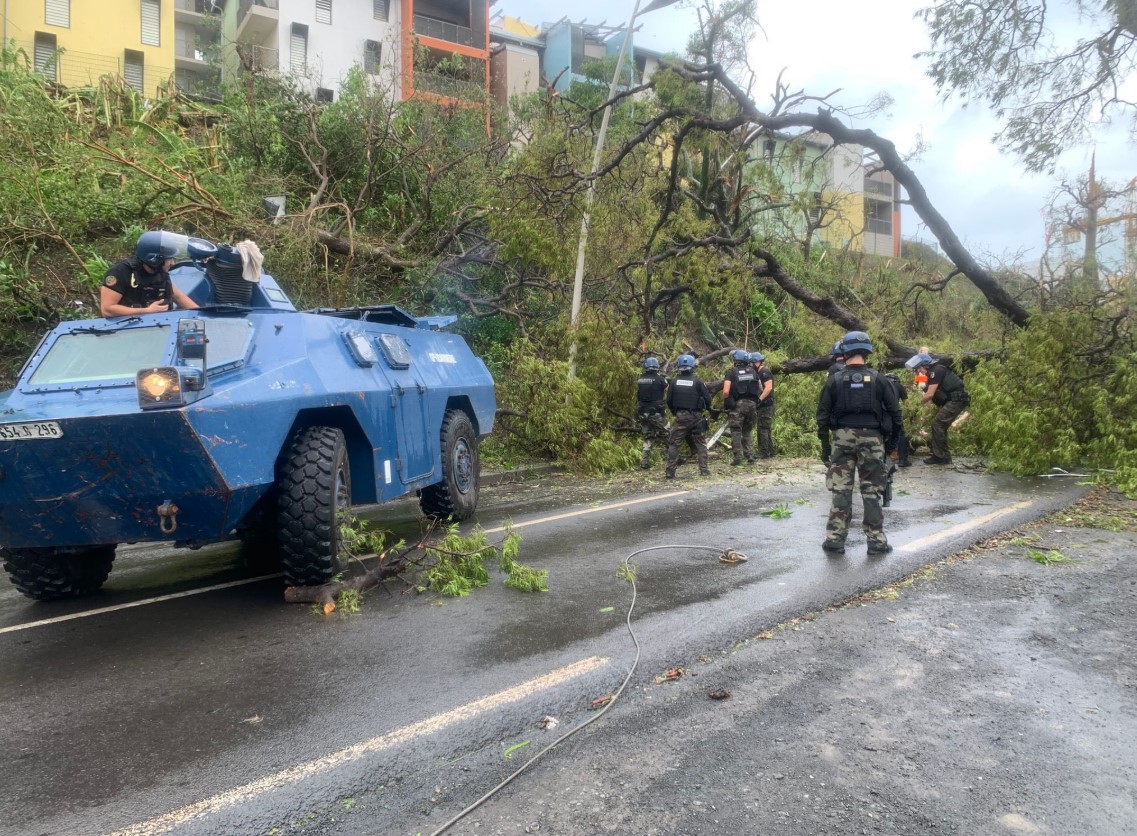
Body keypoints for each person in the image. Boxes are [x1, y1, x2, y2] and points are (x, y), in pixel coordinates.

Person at [816, 331, 903, 555]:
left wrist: (826, 447)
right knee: (872, 492)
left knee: (841, 491)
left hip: (842, 439)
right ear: (867, 352)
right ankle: (876, 542)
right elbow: (896, 415)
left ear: (844, 352)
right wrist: (891, 446)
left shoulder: (834, 380)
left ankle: (835, 540)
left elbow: (822, 416)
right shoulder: (879, 379)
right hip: (873, 440)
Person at [100, 230, 199, 317]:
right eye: (169, 259)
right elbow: (107, 310)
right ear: (155, 260)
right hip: (127, 329)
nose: (173, 263)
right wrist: (147, 311)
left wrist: (200, 313)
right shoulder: (121, 271)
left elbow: (178, 296)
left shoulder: (159, 271)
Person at [905, 351, 969, 465]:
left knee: (938, 424)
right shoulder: (929, 374)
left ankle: (940, 456)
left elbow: (929, 394)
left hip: (956, 400)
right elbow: (924, 390)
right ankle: (944, 456)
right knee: (940, 426)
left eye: (918, 369)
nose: (918, 372)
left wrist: (915, 405)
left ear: (925, 365)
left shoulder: (937, 370)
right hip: (950, 401)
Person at [665, 354, 711, 479]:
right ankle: (704, 470)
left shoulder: (674, 382)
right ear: (692, 367)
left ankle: (670, 471)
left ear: (679, 367)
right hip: (696, 416)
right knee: (701, 443)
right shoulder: (698, 381)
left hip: (680, 416)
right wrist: (706, 409)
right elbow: (707, 398)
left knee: (674, 443)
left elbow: (669, 400)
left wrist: (675, 412)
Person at [721, 349, 760, 465]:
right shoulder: (753, 372)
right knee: (748, 430)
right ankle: (750, 455)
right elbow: (760, 389)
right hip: (752, 405)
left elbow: (726, 391)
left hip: (738, 405)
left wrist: (727, 402)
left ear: (736, 360)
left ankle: (738, 457)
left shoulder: (731, 373)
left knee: (736, 431)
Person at [636, 357, 670, 469]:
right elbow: (668, 390)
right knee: (668, 433)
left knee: (648, 436)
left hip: (642, 412)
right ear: (657, 367)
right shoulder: (660, 379)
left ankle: (644, 462)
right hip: (656, 413)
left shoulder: (640, 379)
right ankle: (675, 457)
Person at [749, 351, 776, 458]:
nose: (750, 365)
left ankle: (764, 452)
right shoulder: (757, 373)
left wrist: (759, 399)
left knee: (763, 428)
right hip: (763, 404)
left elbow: (768, 388)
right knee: (765, 427)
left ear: (757, 362)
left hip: (766, 404)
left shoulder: (765, 372)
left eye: (751, 363)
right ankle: (770, 450)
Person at [883, 372, 911, 467]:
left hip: (882, 413)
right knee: (901, 434)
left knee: (883, 434)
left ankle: (883, 458)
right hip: (895, 412)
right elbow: (907, 404)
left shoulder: (880, 384)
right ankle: (903, 460)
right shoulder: (898, 385)